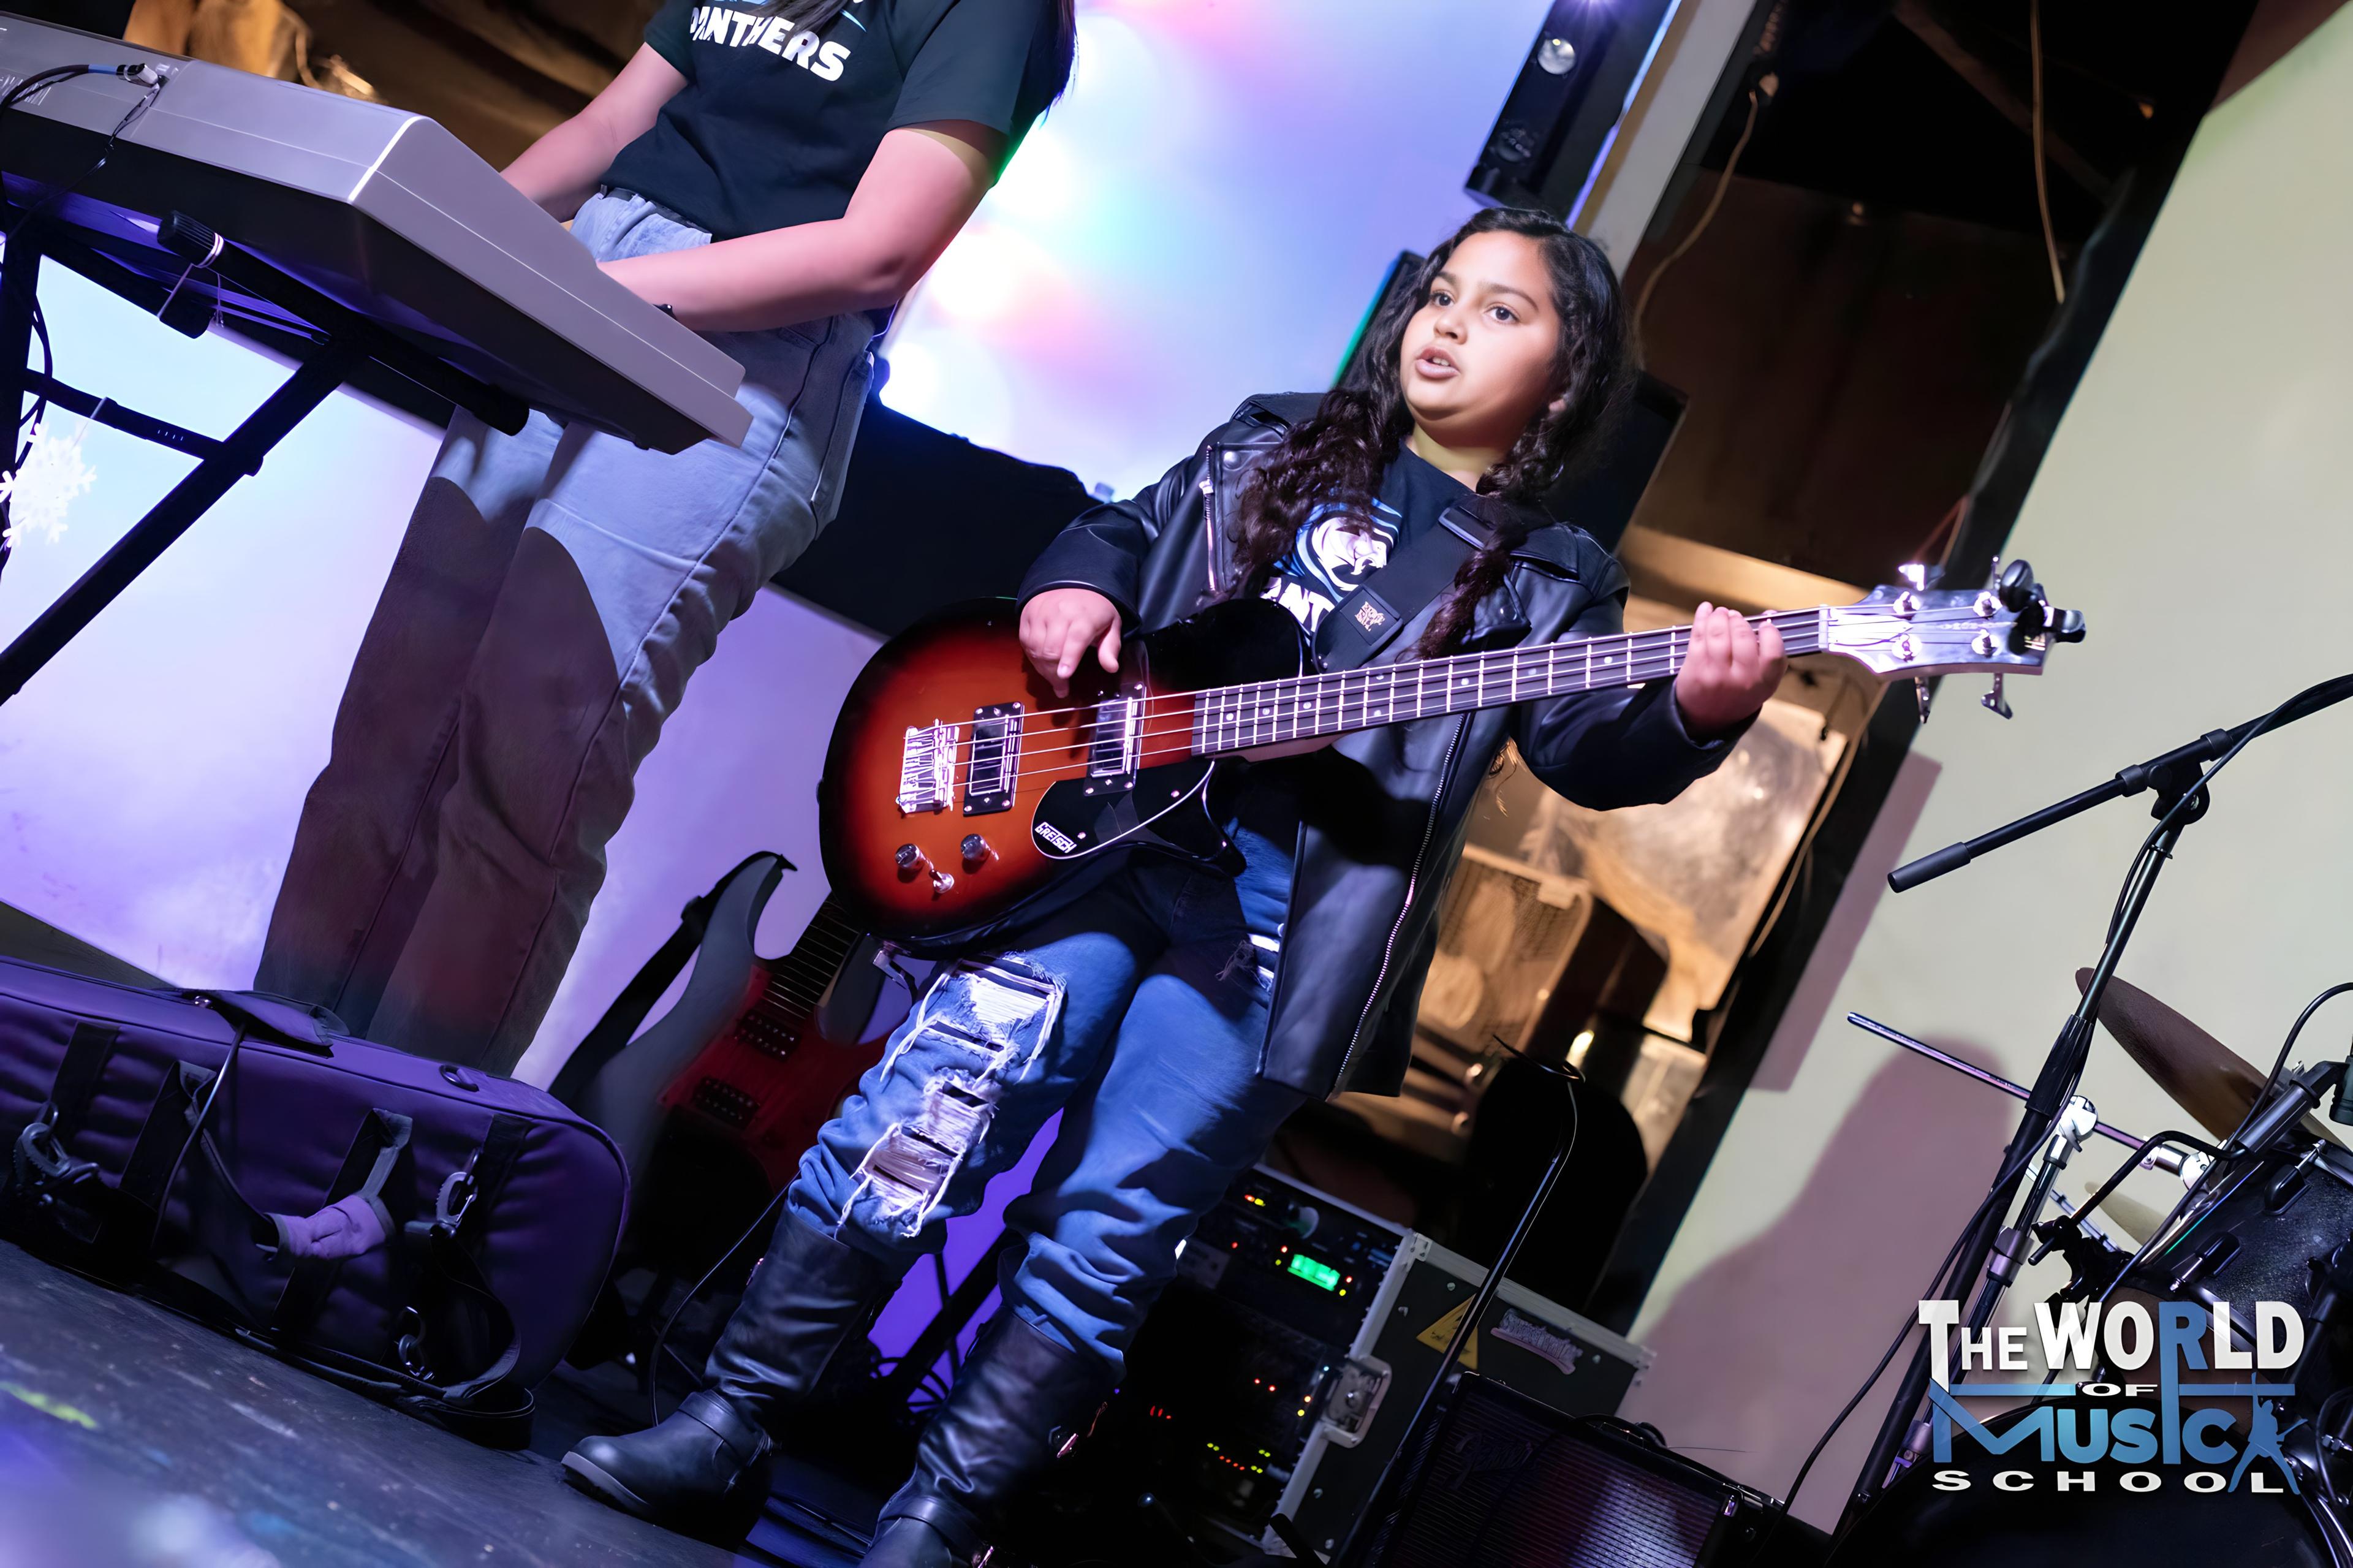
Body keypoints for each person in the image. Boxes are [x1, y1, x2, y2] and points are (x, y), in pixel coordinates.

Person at [559, 206, 1785, 1563]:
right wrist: (1074, 588)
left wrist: (1698, 709)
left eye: (1504, 311)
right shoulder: (1271, 436)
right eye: (1444, 292)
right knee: (920, 1116)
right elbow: (1117, 528)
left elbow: (1586, 747)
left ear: (1564, 381)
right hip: (1093, 848)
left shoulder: (1555, 580)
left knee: (1110, 1227)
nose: (1450, 322)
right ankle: (727, 1423)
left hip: (1279, 923)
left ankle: (935, 1526)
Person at [254, 0, 1077, 1074]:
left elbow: (879, 250)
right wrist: (449, 249)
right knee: (388, 733)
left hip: (742, 356)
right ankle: (252, 1077)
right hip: (583, 282)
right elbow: (609, 128)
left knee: (523, 781)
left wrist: (589, 293)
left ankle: (398, 1137)